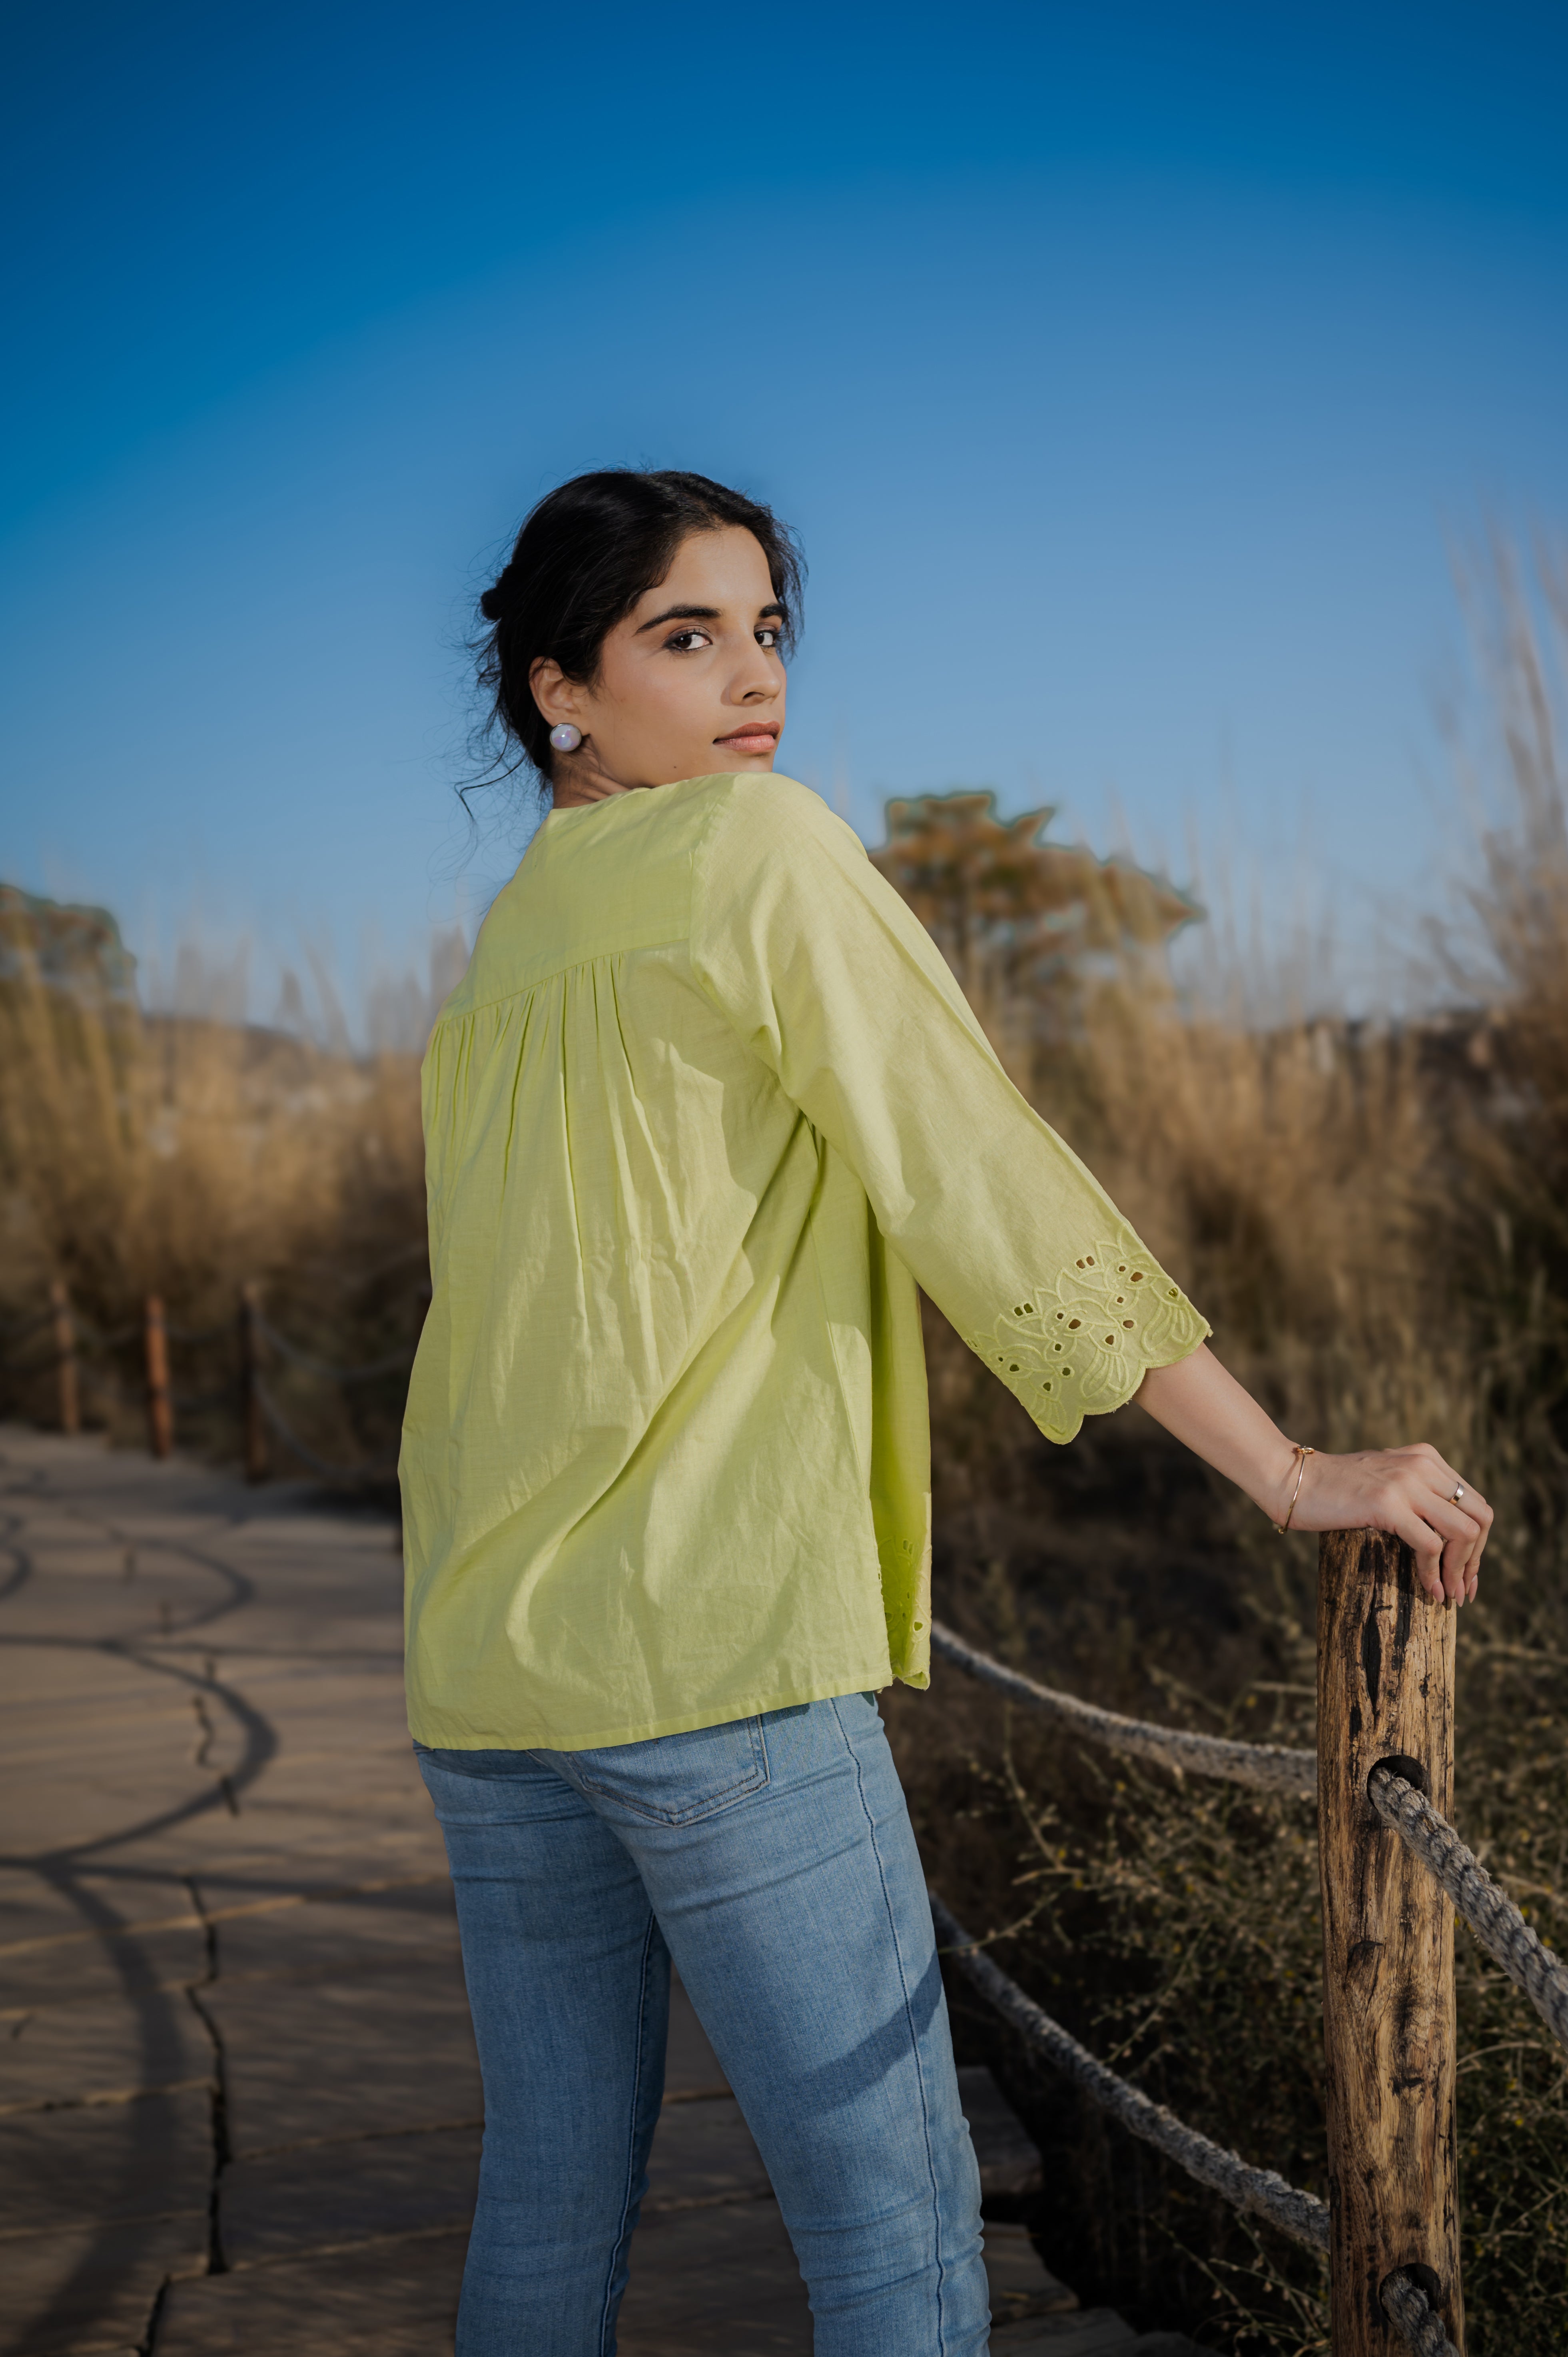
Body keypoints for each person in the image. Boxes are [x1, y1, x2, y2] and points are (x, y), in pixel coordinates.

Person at [399, 468, 1491, 2357]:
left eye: (768, 629)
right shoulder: (755, 846)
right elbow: (979, 1173)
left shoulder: (510, 939)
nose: (758, 678)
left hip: (490, 1668)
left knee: (550, 2203)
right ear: (557, 686)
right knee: (894, 2230)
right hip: (714, 1649)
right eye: (687, 635)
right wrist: (1287, 1466)